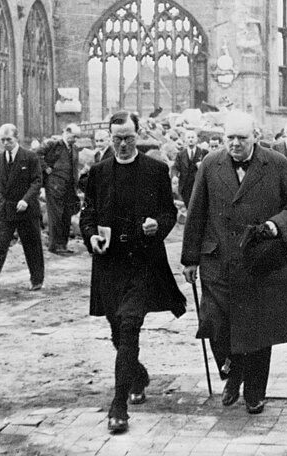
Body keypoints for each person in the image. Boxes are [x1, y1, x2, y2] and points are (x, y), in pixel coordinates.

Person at [181, 111, 287, 415]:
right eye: (230, 138)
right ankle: (231, 371)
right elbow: (196, 210)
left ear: (256, 137)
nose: (235, 144)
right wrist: (189, 258)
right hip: (218, 260)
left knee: (258, 330)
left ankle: (254, 391)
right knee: (216, 324)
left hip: (259, 261)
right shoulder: (211, 164)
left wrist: (276, 226)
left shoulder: (276, 164)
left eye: (242, 138)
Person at [79, 111, 186, 435]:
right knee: (117, 330)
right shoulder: (98, 173)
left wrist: (159, 225)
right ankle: (137, 375)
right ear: (110, 139)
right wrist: (91, 237)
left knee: (129, 326)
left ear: (137, 136)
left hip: (142, 261)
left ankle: (118, 407)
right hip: (110, 264)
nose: (122, 144)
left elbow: (169, 212)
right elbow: (88, 214)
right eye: (116, 139)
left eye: (128, 138)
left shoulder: (155, 170)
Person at [0, 123, 44, 297]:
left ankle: (37, 279)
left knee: (32, 246)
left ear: (17, 138)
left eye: (9, 140)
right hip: (6, 210)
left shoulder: (30, 157)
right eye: (3, 140)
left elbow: (37, 181)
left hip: (26, 210)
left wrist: (26, 200)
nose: (6, 143)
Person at [38, 123, 81, 255]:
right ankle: (54, 246)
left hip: (68, 187)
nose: (74, 140)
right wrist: (46, 168)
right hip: (54, 186)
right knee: (55, 215)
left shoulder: (74, 149)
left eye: (76, 138)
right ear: (66, 132)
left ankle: (63, 244)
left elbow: (74, 168)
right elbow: (37, 155)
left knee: (66, 216)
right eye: (73, 136)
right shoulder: (53, 144)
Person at [173, 129, 206, 208]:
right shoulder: (180, 154)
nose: (190, 139)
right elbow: (175, 167)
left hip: (198, 184)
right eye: (188, 138)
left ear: (196, 140)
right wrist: (174, 176)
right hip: (185, 185)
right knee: (187, 205)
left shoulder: (203, 152)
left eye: (192, 137)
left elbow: (209, 168)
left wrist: (202, 166)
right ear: (185, 140)